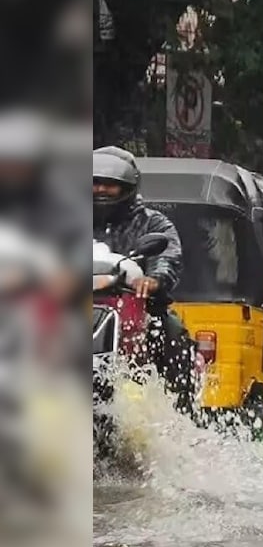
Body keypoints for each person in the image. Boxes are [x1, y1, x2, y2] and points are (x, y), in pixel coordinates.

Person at [92, 147, 193, 412]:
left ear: (128, 187)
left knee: (173, 334)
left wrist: (154, 279)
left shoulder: (153, 223)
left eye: (110, 184)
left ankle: (179, 413)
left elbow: (168, 254)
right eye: (94, 182)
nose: (100, 189)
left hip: (138, 305)